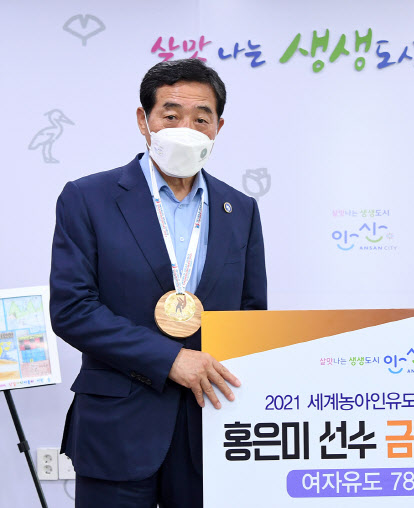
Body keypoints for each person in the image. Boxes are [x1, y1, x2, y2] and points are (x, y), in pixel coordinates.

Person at [49, 59, 267, 507]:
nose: (186, 129)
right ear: (143, 121)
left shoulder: (240, 209)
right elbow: (73, 309)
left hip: (213, 424)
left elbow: (251, 313)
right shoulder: (88, 198)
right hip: (118, 428)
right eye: (171, 115)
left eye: (201, 119)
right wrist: (170, 359)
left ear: (218, 127)